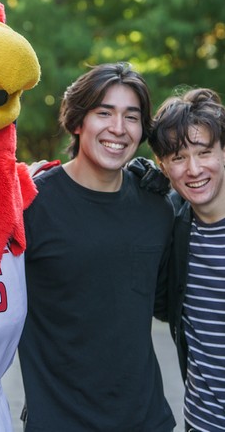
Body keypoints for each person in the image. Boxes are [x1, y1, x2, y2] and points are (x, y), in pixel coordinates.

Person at [18, 62, 176, 431]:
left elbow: (168, 302)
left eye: (131, 117)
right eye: (104, 113)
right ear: (77, 121)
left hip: (147, 420)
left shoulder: (157, 207)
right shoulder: (31, 205)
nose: (118, 128)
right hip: (60, 422)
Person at [149, 88, 225, 432]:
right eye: (178, 157)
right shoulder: (175, 231)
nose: (194, 169)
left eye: (204, 152)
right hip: (202, 422)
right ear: (163, 166)